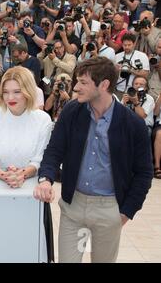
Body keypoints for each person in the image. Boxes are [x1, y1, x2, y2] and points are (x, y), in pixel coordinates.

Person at [34, 57, 153, 263]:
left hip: (110, 209)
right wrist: (45, 178)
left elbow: (144, 173)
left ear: (104, 84)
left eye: (83, 82)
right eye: (76, 81)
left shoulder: (133, 124)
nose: (76, 87)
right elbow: (54, 150)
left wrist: (126, 212)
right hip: (74, 208)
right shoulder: (72, 111)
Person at [0, 66, 54, 262]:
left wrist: (22, 174)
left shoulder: (43, 119)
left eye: (17, 91)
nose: (11, 97)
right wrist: (5, 176)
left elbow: (39, 160)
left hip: (30, 197)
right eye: (6, 91)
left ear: (28, 91)